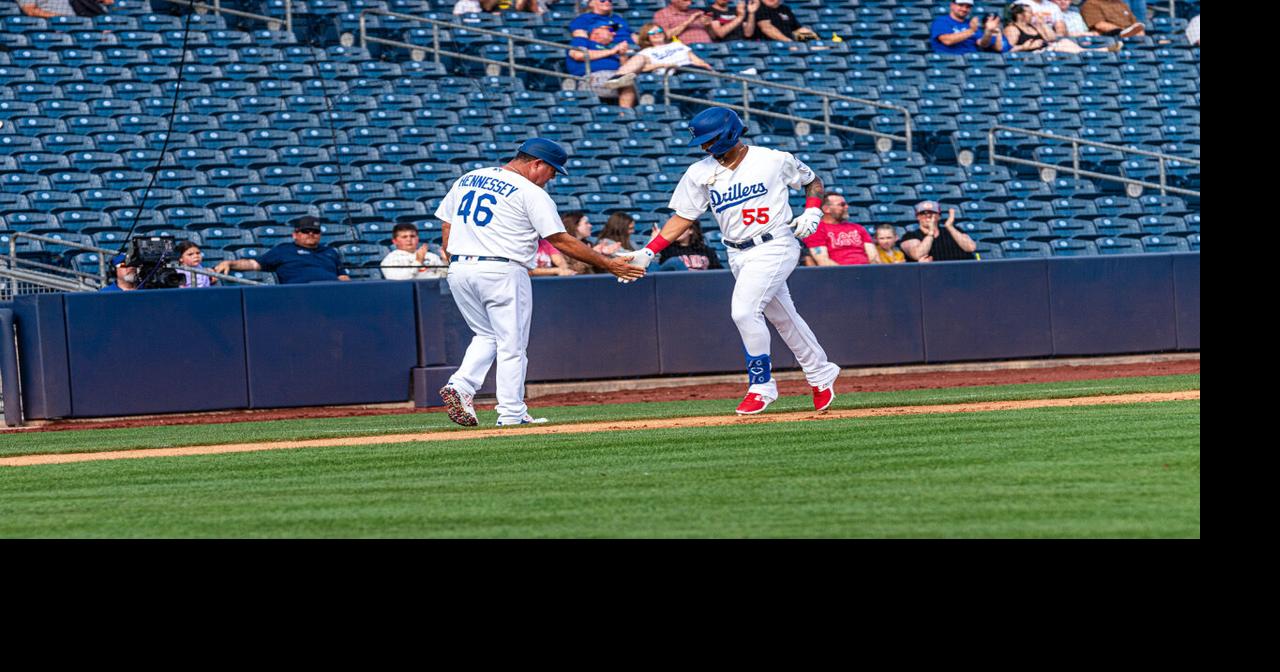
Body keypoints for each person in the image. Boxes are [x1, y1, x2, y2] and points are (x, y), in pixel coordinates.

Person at [616, 108, 841, 415]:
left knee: (744, 311)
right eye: (703, 142)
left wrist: (814, 210)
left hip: (774, 244)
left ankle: (761, 385)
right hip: (736, 252)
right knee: (784, 317)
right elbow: (683, 216)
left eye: (711, 140)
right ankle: (820, 372)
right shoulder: (699, 172)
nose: (706, 147)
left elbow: (813, 181)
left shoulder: (772, 159)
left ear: (730, 133)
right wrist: (648, 251)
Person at [435, 138, 645, 427]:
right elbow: (559, 239)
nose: (553, 177)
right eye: (553, 171)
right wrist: (607, 263)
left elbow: (447, 223)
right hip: (502, 270)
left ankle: (461, 386)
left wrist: (453, 259)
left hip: (459, 268)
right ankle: (511, 413)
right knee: (513, 346)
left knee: (486, 336)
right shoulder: (530, 191)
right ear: (537, 164)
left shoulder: (468, 178)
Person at [213, 216, 352, 284]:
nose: (311, 234)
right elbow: (254, 264)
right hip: (298, 296)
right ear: (295, 234)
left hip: (331, 293)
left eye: (315, 231)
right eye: (305, 231)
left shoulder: (330, 252)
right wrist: (230, 263)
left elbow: (342, 276)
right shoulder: (284, 250)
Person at [602, 23, 715, 89]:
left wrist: (706, 67)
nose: (657, 34)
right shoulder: (646, 52)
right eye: (652, 33)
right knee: (639, 59)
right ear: (647, 37)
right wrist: (662, 65)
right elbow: (643, 68)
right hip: (670, 75)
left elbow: (696, 60)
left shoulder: (677, 44)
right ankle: (618, 78)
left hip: (688, 68)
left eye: (659, 31)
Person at [566, 23, 638, 109]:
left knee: (633, 80)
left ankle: (627, 114)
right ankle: (626, 113)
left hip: (616, 77)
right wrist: (612, 51)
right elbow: (579, 55)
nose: (614, 33)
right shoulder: (582, 41)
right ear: (595, 31)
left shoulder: (609, 48)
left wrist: (623, 56)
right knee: (628, 82)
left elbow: (623, 68)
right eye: (610, 30)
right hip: (592, 78)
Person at [1005, 3, 1121, 52]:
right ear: (1020, 15)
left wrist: (1042, 24)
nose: (1033, 14)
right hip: (1029, 55)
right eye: (1030, 12)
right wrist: (1024, 47)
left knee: (1064, 41)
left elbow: (1051, 38)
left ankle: (1099, 50)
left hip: (1046, 50)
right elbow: (1007, 50)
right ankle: (1102, 50)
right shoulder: (1012, 29)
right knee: (1065, 45)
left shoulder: (1034, 25)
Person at [802, 193, 877, 266]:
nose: (847, 207)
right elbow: (823, 261)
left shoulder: (858, 228)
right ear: (826, 209)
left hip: (867, 272)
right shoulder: (816, 229)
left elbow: (874, 257)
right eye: (842, 204)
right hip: (839, 274)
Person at [899, 201, 978, 263]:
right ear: (917, 217)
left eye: (932, 213)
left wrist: (950, 227)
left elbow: (971, 247)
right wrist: (930, 233)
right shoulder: (910, 236)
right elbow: (918, 254)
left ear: (939, 216)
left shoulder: (954, 231)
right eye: (923, 213)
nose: (928, 216)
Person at [931, 1, 1007, 54]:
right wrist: (971, 31)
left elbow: (983, 44)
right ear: (952, 5)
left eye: (968, 7)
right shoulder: (941, 21)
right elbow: (947, 41)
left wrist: (988, 32)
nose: (964, 9)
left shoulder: (970, 23)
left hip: (971, 59)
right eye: (961, 5)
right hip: (950, 59)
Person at [380, 222, 447, 280]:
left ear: (417, 238)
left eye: (412, 236)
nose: (409, 239)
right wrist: (418, 262)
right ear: (395, 241)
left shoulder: (430, 256)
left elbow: (445, 278)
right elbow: (397, 280)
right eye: (404, 237)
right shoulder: (390, 260)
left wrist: (446, 262)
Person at [570, 0, 636, 45]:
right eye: (602, 0)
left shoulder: (618, 18)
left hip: (633, 48)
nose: (607, 2)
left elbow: (632, 35)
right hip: (609, 50)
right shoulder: (583, 19)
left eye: (610, 0)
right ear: (591, 3)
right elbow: (581, 39)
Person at [658, 225, 723, 270]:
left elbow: (718, 272)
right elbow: (661, 271)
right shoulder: (667, 250)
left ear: (691, 230)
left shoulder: (706, 251)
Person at [1080, 0, 1145, 37]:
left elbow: (1135, 23)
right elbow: (1100, 25)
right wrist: (1125, 31)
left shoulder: (1120, 3)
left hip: (1130, 36)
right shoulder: (1091, 3)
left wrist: (1139, 34)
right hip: (1109, 37)